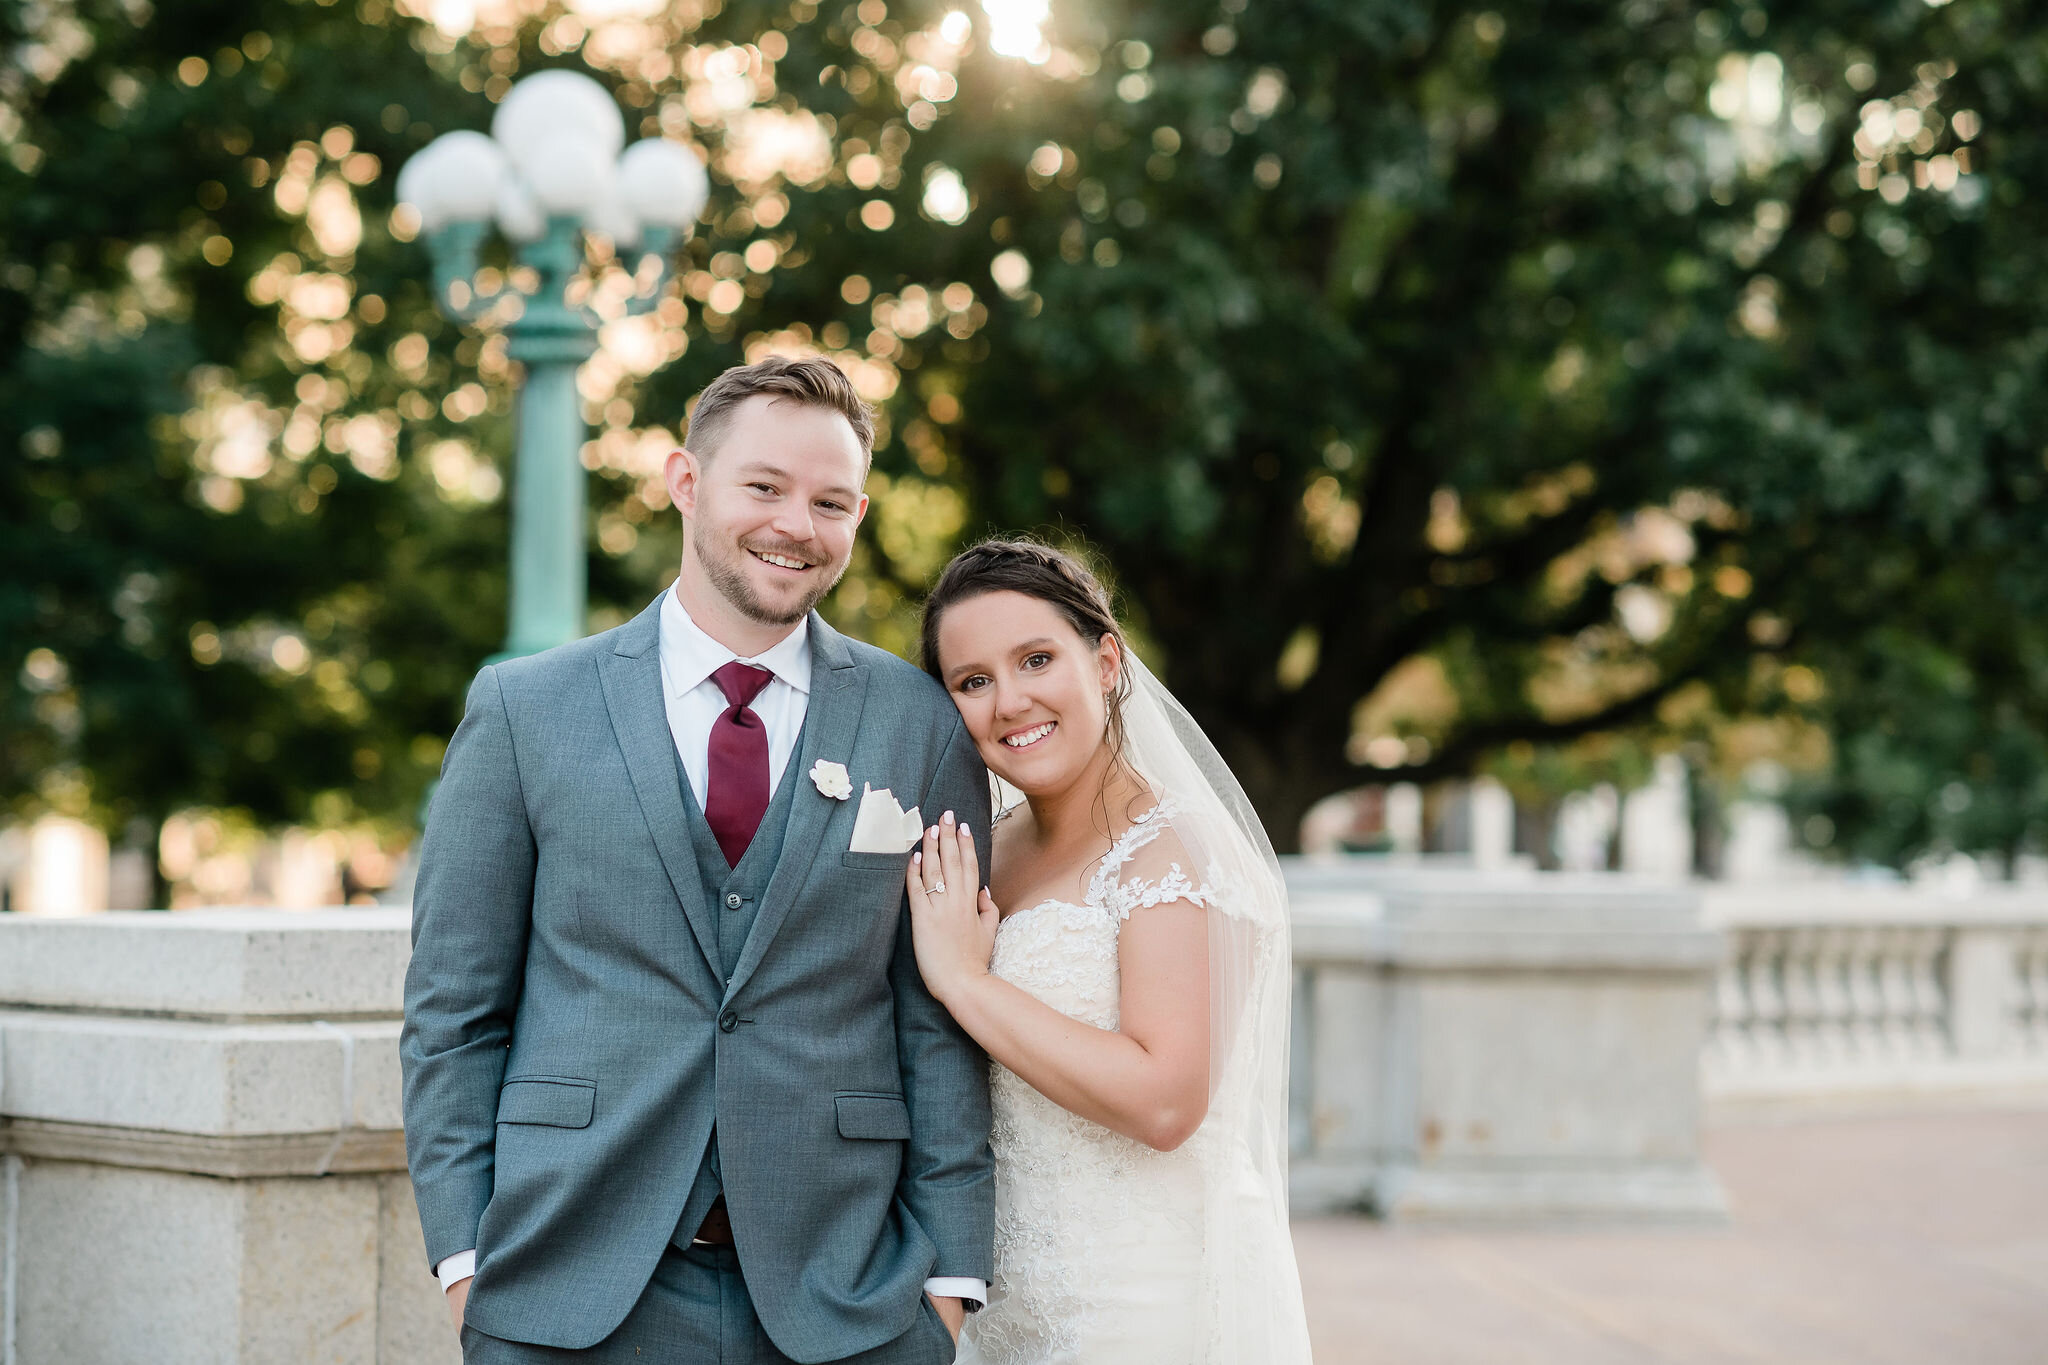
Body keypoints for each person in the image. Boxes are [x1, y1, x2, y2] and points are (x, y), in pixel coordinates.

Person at [401, 356, 993, 1363]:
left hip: (847, 1297)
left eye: (830, 502)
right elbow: (454, 1010)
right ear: (685, 481)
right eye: (763, 487)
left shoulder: (918, 724)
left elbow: (935, 1015)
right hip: (564, 1290)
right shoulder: (523, 710)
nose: (795, 526)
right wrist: (465, 1261)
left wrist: (947, 1282)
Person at [906, 540, 1314, 1364]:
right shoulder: (986, 846)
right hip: (1003, 1307)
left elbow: (1166, 1101)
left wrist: (963, 980)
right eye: (973, 681)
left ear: (1105, 661)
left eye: (1036, 659)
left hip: (1143, 1300)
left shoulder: (1178, 853)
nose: (1010, 700)